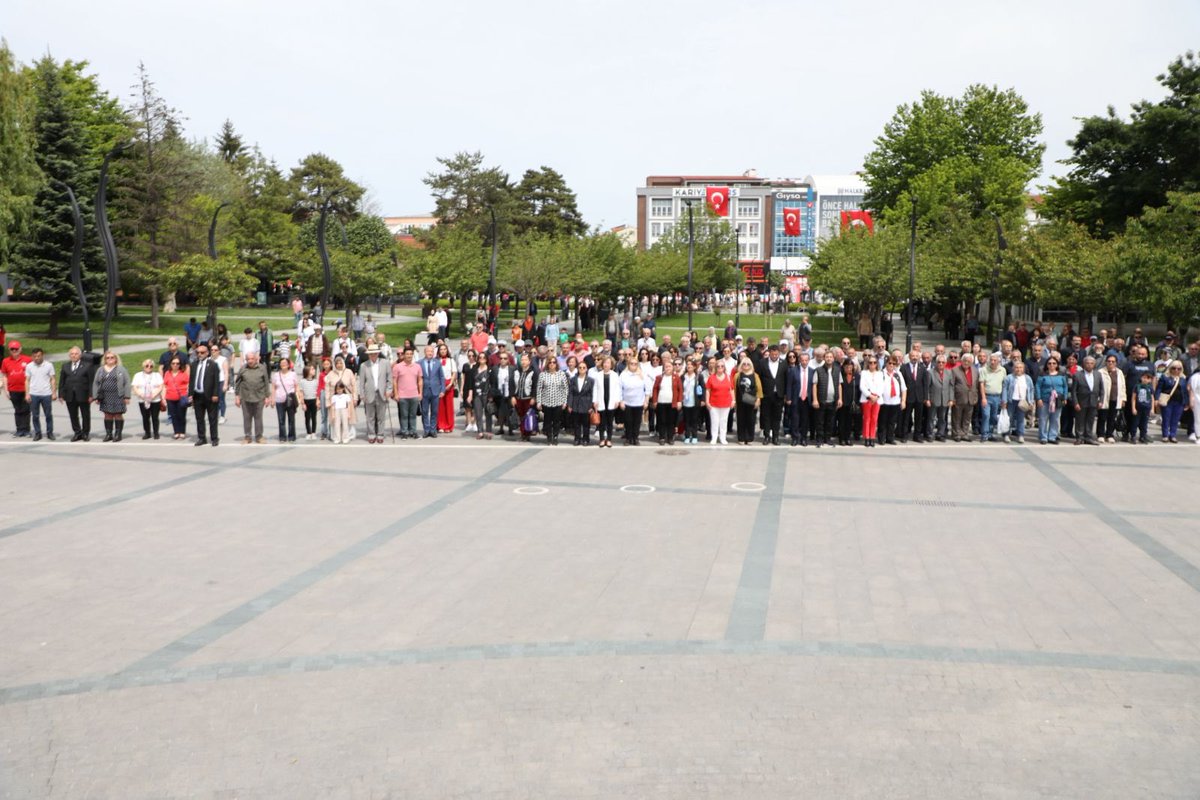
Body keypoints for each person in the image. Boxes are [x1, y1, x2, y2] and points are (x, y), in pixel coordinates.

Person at [91, 351, 130, 442]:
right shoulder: (100, 370)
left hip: (118, 396)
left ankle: (118, 434)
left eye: (112, 357)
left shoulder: (121, 369)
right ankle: (109, 434)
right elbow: (96, 383)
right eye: (107, 358)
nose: (110, 359)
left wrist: (127, 396)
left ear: (116, 359)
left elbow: (127, 382)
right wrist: (95, 396)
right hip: (105, 396)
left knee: (118, 414)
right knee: (107, 414)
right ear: (105, 359)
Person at [356, 345, 391, 444]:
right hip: (369, 393)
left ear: (378, 353)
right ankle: (371, 434)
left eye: (375, 353)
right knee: (370, 416)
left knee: (381, 416)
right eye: (371, 354)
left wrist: (389, 390)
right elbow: (361, 381)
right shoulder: (364, 365)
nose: (373, 355)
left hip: (382, 392)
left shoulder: (385, 363)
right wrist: (361, 394)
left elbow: (389, 379)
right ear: (369, 355)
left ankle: (380, 434)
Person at [59, 346, 95, 441]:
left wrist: (91, 395)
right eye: (72, 354)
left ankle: (85, 433)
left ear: (80, 355)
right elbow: (62, 381)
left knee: (85, 415)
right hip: (70, 395)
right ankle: (77, 432)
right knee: (73, 415)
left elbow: (91, 381)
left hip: (83, 394)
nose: (74, 355)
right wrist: (61, 394)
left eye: (76, 354)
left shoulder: (87, 365)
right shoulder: (65, 366)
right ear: (69, 355)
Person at [234, 351, 271, 444]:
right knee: (247, 418)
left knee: (258, 418)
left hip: (259, 397)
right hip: (245, 397)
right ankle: (247, 437)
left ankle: (259, 436)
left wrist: (267, 397)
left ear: (256, 359)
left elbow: (266, 383)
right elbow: (237, 383)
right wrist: (237, 396)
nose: (250, 361)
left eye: (252, 359)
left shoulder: (262, 368)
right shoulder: (243, 369)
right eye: (248, 359)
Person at [189, 344, 221, 447]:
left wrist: (216, 394)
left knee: (212, 418)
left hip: (210, 395)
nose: (199, 354)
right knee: (199, 418)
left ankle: (214, 438)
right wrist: (190, 394)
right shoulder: (194, 364)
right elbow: (192, 380)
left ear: (207, 353)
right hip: (198, 396)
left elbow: (216, 381)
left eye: (202, 352)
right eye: (197, 352)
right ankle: (201, 438)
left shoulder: (212, 364)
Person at [23, 348, 57, 441]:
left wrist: (54, 392)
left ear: (42, 355)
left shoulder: (49, 365)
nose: (37, 358)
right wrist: (27, 394)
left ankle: (50, 432)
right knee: (35, 415)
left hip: (46, 393)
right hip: (34, 394)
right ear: (32, 357)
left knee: (48, 415)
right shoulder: (29, 366)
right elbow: (27, 380)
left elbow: (53, 379)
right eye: (34, 356)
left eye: (38, 356)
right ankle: (38, 433)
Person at [756, 345, 787, 446]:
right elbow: (758, 379)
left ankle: (776, 437)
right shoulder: (762, 363)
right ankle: (766, 436)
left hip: (779, 394)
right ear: (769, 353)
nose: (774, 356)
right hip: (766, 394)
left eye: (776, 354)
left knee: (777, 417)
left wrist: (785, 394)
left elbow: (786, 379)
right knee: (766, 416)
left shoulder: (783, 363)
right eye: (773, 354)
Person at [1, 340, 33, 437]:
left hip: (26, 390)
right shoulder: (5, 361)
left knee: (26, 409)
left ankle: (26, 429)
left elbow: (33, 374)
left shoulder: (28, 360)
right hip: (13, 389)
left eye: (16, 349)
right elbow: (5, 376)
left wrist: (31, 389)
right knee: (18, 410)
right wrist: (6, 390)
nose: (14, 350)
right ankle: (19, 429)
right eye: (12, 349)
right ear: (9, 350)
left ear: (20, 349)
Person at [536, 356, 568, 445]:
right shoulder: (543, 375)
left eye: (554, 362)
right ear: (548, 364)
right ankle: (549, 436)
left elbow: (565, 389)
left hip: (558, 402)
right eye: (550, 362)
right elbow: (539, 389)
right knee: (548, 421)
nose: (552, 364)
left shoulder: (561, 374)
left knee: (557, 421)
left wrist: (565, 401)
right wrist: (539, 401)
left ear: (556, 364)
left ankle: (555, 436)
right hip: (546, 402)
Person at [1070, 355, 1102, 445]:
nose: (1089, 365)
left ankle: (1088, 437)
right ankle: (1079, 437)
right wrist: (1075, 402)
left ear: (1094, 364)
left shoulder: (1098, 374)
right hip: (1081, 401)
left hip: (1093, 401)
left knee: (1090, 420)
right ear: (1084, 364)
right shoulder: (1077, 375)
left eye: (1091, 363)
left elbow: (1101, 389)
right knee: (1080, 420)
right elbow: (1073, 391)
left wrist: (1101, 400)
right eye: (1087, 363)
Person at [1036, 356, 1068, 445]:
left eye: (1054, 363)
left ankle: (1052, 436)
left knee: (1055, 419)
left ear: (1057, 365)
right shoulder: (1042, 375)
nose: (1052, 365)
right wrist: (1038, 398)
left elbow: (1065, 387)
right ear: (1046, 365)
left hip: (1058, 400)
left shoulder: (1061, 375)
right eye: (1049, 363)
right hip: (1045, 400)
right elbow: (1038, 386)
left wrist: (1065, 398)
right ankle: (1043, 437)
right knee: (1043, 419)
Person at [1155, 361, 1189, 443]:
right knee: (1166, 419)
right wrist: (1156, 399)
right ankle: (1165, 435)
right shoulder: (1165, 377)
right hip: (1168, 401)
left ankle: (1173, 435)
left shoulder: (1183, 378)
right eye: (1174, 368)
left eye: (1179, 369)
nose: (1176, 370)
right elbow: (1159, 388)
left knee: (1175, 420)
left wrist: (1187, 402)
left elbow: (1185, 391)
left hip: (1179, 402)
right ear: (1170, 368)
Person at [1001, 359, 1034, 444]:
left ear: (1023, 369)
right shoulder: (1009, 378)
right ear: (1013, 369)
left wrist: (1030, 401)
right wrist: (1004, 401)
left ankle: (1020, 435)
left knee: (1021, 419)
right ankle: (1006, 434)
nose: (1018, 369)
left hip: (1022, 401)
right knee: (1009, 418)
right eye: (1016, 367)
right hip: (1011, 400)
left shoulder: (1027, 378)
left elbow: (1031, 390)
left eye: (1020, 367)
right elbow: (1005, 389)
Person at [650, 359, 682, 445]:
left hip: (672, 403)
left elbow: (680, 390)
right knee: (661, 421)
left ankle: (670, 437)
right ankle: (662, 437)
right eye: (666, 366)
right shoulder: (659, 377)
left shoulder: (677, 377)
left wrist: (679, 401)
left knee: (671, 421)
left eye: (669, 366)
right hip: (661, 402)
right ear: (664, 368)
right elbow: (655, 389)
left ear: (672, 368)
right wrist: (655, 401)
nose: (668, 368)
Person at [130, 358, 164, 440]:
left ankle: (156, 433)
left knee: (155, 417)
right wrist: (141, 395)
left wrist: (153, 395)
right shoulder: (138, 375)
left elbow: (161, 386)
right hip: (142, 399)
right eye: (147, 365)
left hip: (155, 399)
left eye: (151, 366)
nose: (149, 367)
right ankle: (147, 433)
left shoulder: (157, 375)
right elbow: (135, 387)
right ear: (143, 366)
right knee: (145, 417)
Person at [392, 348, 422, 439]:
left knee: (413, 415)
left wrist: (420, 393)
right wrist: (396, 394)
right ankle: (404, 432)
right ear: (404, 355)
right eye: (407, 354)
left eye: (411, 354)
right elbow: (394, 381)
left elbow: (420, 381)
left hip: (414, 394)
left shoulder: (417, 366)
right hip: (402, 395)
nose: (409, 355)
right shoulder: (397, 367)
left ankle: (413, 431)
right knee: (404, 415)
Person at [1097, 355, 1127, 443]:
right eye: (1109, 361)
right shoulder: (1100, 372)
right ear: (1106, 362)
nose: (1111, 363)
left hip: (1115, 398)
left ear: (1116, 363)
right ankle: (1100, 434)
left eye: (1113, 361)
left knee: (1112, 418)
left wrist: (1123, 399)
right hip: (1104, 398)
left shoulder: (1119, 372)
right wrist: (1098, 399)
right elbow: (1098, 387)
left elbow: (1123, 386)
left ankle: (1109, 434)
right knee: (1102, 417)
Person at [592, 356, 620, 448]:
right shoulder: (598, 375)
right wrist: (594, 400)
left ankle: (609, 439)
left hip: (611, 401)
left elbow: (617, 389)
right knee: (601, 422)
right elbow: (595, 388)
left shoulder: (615, 375)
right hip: (601, 400)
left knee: (609, 422)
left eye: (608, 363)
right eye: (604, 363)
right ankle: (601, 439)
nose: (606, 364)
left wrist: (617, 400)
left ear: (611, 365)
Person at [949, 353, 979, 442]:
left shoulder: (975, 370)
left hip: (971, 398)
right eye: (965, 361)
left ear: (972, 362)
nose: (966, 363)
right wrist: (952, 398)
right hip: (958, 398)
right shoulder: (955, 370)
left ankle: (964, 433)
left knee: (967, 418)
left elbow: (976, 385)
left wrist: (976, 396)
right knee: (956, 417)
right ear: (961, 361)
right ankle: (956, 434)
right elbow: (951, 385)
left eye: (969, 361)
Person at [858, 354, 886, 448]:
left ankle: (872, 437)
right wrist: (870, 395)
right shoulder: (864, 373)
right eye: (870, 362)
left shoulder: (880, 373)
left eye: (874, 362)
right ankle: (866, 437)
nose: (872, 364)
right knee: (867, 418)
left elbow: (882, 386)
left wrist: (877, 396)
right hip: (867, 398)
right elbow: (862, 386)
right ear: (867, 363)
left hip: (877, 399)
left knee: (874, 419)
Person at [618, 356, 646, 445]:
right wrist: (621, 401)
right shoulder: (623, 374)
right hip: (627, 402)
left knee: (637, 422)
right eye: (631, 363)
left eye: (635, 364)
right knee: (628, 421)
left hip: (639, 402)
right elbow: (619, 388)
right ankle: (628, 438)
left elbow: (647, 389)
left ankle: (635, 438)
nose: (633, 365)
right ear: (628, 364)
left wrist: (646, 401)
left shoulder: (642, 374)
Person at [877, 356, 906, 445]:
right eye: (890, 363)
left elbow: (904, 389)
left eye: (894, 364)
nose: (891, 365)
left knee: (892, 422)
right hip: (884, 402)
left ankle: (890, 438)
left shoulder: (898, 374)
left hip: (895, 402)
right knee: (882, 421)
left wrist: (903, 401)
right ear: (886, 363)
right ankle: (882, 438)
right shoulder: (881, 374)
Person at [733, 358, 761, 446]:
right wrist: (734, 400)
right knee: (740, 419)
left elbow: (759, 389)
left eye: (748, 364)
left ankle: (749, 438)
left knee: (751, 420)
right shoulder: (737, 375)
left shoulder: (755, 375)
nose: (746, 366)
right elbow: (734, 388)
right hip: (740, 401)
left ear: (751, 365)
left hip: (751, 401)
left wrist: (758, 399)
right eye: (744, 364)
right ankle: (741, 438)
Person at [419, 344, 446, 438]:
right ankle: (426, 430)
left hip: (435, 391)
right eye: (428, 351)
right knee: (425, 411)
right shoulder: (419, 363)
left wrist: (442, 389)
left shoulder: (437, 363)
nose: (430, 353)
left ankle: (433, 430)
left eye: (431, 351)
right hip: (424, 391)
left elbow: (442, 377)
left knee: (434, 411)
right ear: (424, 352)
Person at [271, 358, 300, 443]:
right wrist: (272, 399)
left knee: (291, 419)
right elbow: (273, 388)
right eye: (281, 363)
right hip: (279, 399)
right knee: (281, 419)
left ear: (288, 365)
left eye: (285, 363)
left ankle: (291, 436)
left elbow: (296, 386)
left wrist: (298, 397)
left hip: (290, 400)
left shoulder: (293, 374)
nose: (283, 364)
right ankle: (282, 436)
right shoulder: (276, 375)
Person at [568, 358, 595, 446]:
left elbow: (592, 394)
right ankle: (577, 438)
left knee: (586, 424)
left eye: (584, 367)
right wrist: (570, 404)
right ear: (578, 368)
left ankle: (586, 439)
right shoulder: (573, 379)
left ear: (586, 369)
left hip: (586, 404)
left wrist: (591, 406)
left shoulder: (590, 380)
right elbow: (571, 393)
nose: (582, 369)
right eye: (580, 367)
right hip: (575, 404)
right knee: (576, 423)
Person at [162, 356, 190, 439]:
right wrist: (163, 398)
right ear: (170, 364)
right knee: (173, 416)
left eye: (177, 363)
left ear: (180, 365)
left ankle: (182, 431)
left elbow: (188, 384)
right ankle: (176, 431)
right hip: (170, 398)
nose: (175, 365)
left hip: (181, 398)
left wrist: (188, 395)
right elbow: (165, 386)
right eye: (173, 363)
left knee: (181, 415)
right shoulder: (167, 373)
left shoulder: (183, 373)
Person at [927, 354, 953, 442]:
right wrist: (927, 399)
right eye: (939, 362)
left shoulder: (949, 372)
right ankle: (930, 434)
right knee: (931, 418)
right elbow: (927, 387)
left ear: (945, 363)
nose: (941, 364)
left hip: (945, 399)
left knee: (942, 418)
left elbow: (951, 386)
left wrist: (951, 399)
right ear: (936, 363)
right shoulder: (930, 372)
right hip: (933, 399)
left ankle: (940, 434)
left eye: (943, 362)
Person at [512, 352, 538, 442]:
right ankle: (522, 433)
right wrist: (512, 397)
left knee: (527, 416)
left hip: (528, 398)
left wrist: (533, 397)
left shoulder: (533, 372)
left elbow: (535, 386)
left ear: (529, 361)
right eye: (522, 360)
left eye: (525, 360)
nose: (523, 361)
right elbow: (512, 385)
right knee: (520, 416)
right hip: (518, 398)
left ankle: (527, 434)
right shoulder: (516, 371)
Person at [836, 360, 860, 446]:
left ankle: (848, 438)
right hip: (842, 402)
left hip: (852, 402)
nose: (849, 369)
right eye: (847, 367)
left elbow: (859, 389)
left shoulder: (856, 376)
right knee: (842, 421)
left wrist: (858, 402)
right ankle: (841, 439)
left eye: (850, 367)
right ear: (843, 367)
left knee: (849, 422)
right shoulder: (840, 375)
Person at [436, 341, 456, 434]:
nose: (443, 351)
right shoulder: (436, 361)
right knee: (440, 406)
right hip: (439, 384)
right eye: (441, 350)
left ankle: (448, 425)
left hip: (448, 384)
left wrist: (450, 384)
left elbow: (454, 373)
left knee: (449, 406)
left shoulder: (451, 361)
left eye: (444, 349)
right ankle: (440, 425)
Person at [1131, 371, 1154, 444]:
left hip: (1146, 408)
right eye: (1144, 377)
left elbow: (1152, 398)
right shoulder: (1137, 386)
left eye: (1147, 378)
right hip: (1138, 407)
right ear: (1141, 378)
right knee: (1135, 422)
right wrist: (1133, 408)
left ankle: (1142, 436)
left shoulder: (1150, 388)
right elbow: (1133, 398)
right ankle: (1133, 436)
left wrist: (1152, 409)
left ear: (1150, 380)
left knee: (1144, 423)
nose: (1145, 379)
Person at [299, 364, 320, 440]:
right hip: (306, 400)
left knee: (314, 417)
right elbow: (301, 393)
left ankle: (313, 432)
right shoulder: (302, 381)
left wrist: (318, 401)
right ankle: (308, 432)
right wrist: (302, 403)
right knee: (307, 417)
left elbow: (317, 392)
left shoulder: (316, 381)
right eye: (312, 369)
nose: (314, 370)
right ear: (307, 371)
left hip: (314, 400)